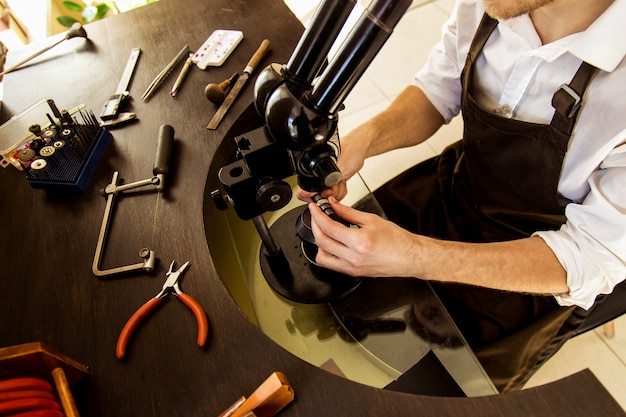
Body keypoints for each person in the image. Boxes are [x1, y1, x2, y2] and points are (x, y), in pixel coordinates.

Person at [301, 0, 626, 391]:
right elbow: (437, 90)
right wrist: (361, 141)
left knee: (416, 393)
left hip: (534, 267)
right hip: (455, 186)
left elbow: (590, 254)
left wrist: (416, 257)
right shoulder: (495, 5)